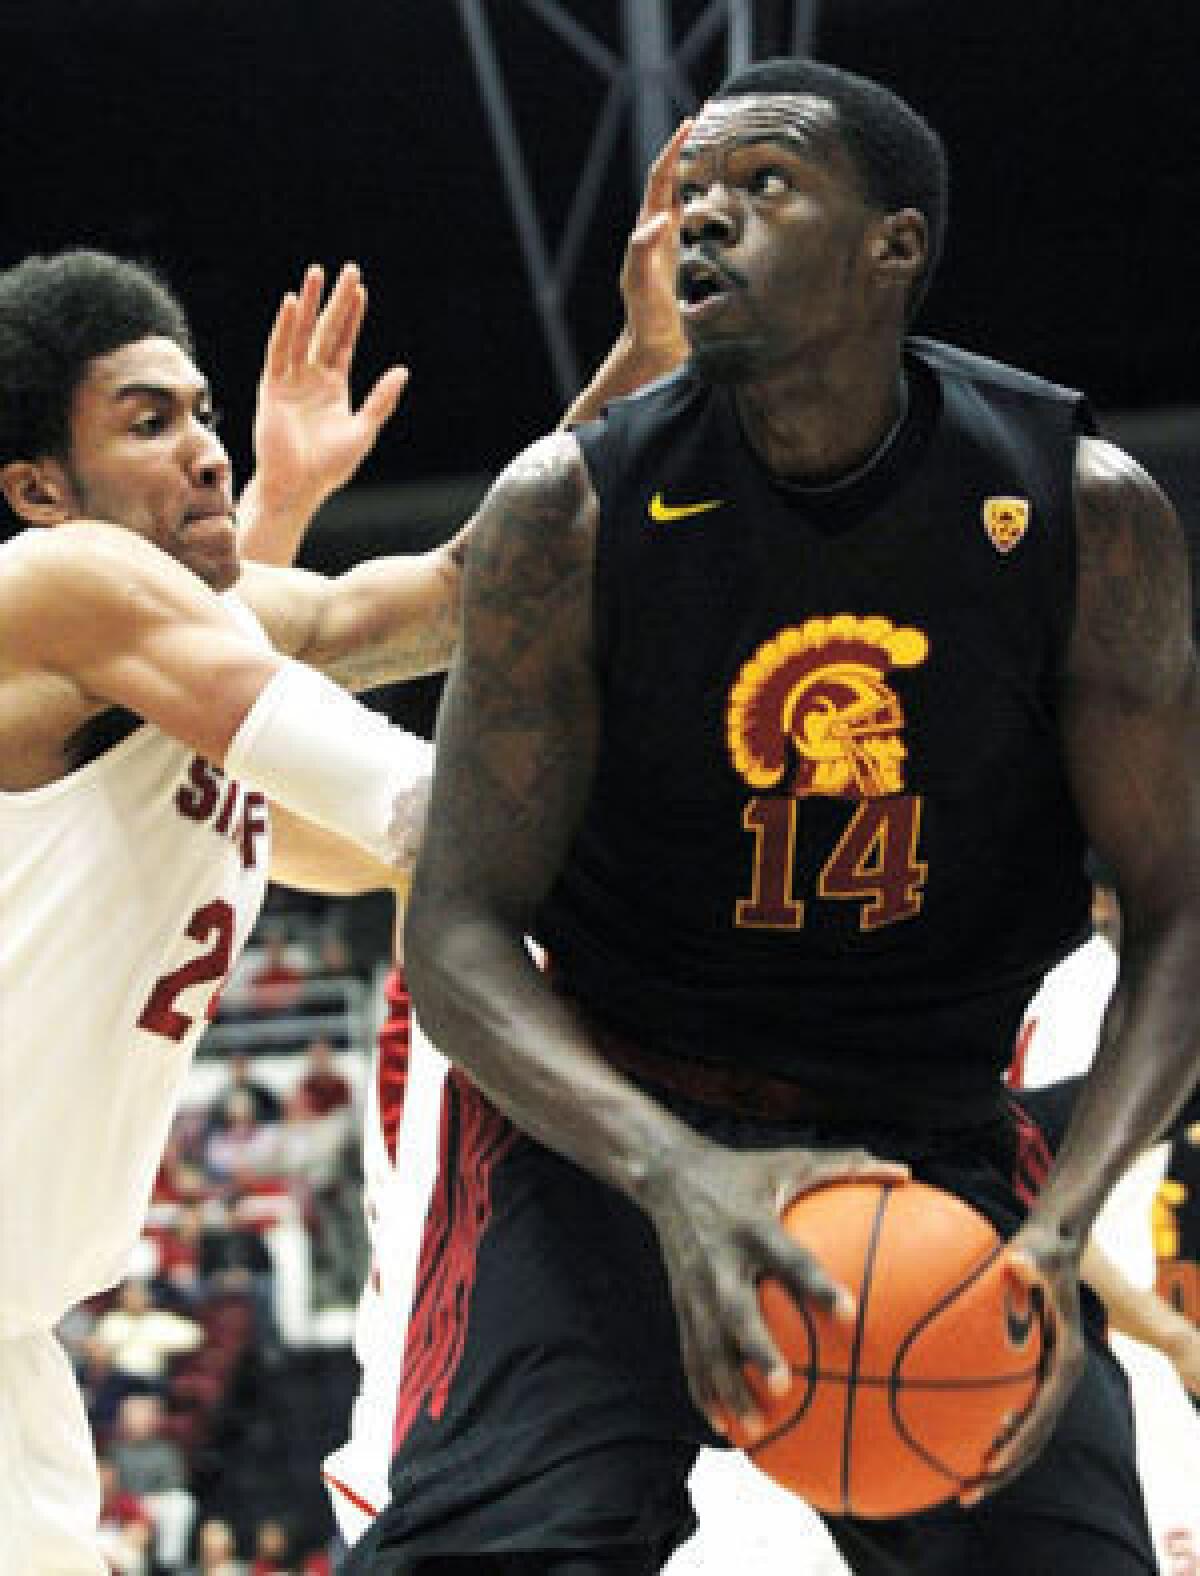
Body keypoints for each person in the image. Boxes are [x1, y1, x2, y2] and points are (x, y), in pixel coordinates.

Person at [359, 57, 1200, 1576]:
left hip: (922, 1130)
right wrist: (673, 1172)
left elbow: (1177, 907)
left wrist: (1066, 1226)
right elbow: (460, 930)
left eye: (762, 188)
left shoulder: (1083, 514)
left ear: (897, 245)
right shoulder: (572, 511)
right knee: (506, 1548)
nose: (703, 224)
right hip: (612, 1122)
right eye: (689, 194)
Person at [0, 248, 454, 1572]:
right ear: (38, 489)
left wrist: (652, 379)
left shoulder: (143, 704)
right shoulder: (48, 581)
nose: (204, 449)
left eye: (204, 414)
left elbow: (452, 597)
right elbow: (407, 806)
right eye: (151, 422)